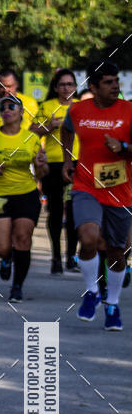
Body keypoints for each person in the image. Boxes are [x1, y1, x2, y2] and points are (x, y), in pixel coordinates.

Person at [62, 60, 132, 331]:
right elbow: (66, 130)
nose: (115, 86)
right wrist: (68, 159)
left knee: (117, 251)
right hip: (86, 185)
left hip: (120, 190)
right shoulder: (78, 110)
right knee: (88, 237)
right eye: (108, 82)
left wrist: (123, 146)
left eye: (116, 81)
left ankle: (112, 305)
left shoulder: (128, 110)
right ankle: (91, 292)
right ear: (93, 86)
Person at [0, 94, 48, 301]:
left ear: (21, 112)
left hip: (26, 194)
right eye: (3, 107)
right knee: (1, 248)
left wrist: (42, 165)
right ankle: (6, 258)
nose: (7, 110)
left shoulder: (31, 138)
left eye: (12, 106)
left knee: (23, 238)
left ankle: (17, 286)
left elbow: (42, 171)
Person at [31, 69, 80, 273]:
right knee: (56, 212)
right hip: (54, 163)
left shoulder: (80, 107)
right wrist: (50, 126)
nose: (66, 88)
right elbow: (32, 130)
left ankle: (71, 257)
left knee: (75, 212)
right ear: (55, 87)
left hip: (78, 162)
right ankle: (56, 258)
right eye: (62, 84)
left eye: (70, 84)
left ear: (75, 87)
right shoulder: (47, 106)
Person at [0, 68, 38, 137]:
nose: (6, 90)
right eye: (2, 87)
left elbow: (39, 128)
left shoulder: (30, 103)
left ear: (17, 84)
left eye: (9, 86)